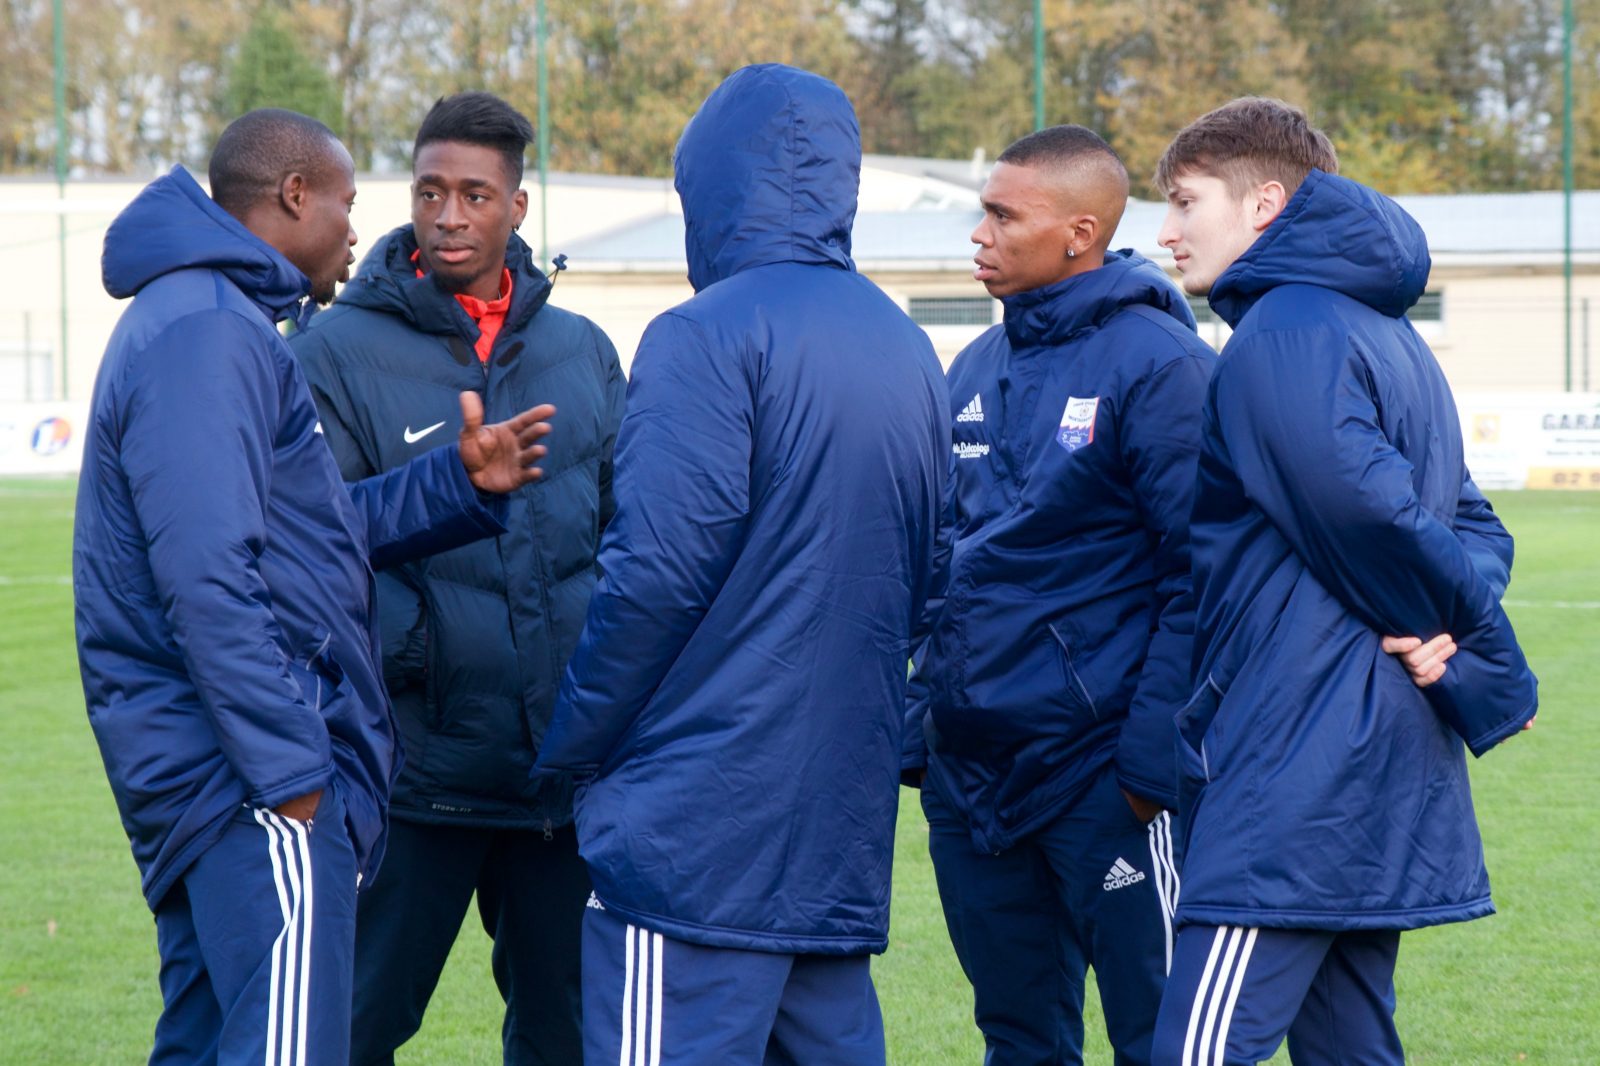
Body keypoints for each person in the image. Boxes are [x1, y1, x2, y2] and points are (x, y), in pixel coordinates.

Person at [73, 108, 557, 1066]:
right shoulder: (208, 331)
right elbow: (208, 577)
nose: (356, 228)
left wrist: (458, 484)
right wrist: (293, 775)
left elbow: (307, 536)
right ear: (295, 195)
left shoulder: (218, 320)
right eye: (347, 201)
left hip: (220, 780)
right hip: (245, 785)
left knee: (215, 1041)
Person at [533, 64, 950, 1065]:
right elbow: (933, 579)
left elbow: (654, 576)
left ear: (713, 186)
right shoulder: (905, 345)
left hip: (690, 836)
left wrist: (573, 745)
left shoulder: (703, 334)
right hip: (834, 833)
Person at [1149, 97, 1538, 1065]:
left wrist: (1480, 657)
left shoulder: (1284, 332)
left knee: (1196, 1049)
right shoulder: (1383, 334)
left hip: (1297, 761)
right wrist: (1449, 629)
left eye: (1186, 202)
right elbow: (1472, 530)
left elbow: (1371, 515)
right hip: (1368, 753)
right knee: (1350, 1046)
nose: (1165, 231)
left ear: (1263, 205)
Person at [289, 91, 625, 1065]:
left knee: (568, 1039)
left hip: (557, 781)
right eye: (429, 191)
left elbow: (628, 540)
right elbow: (313, 541)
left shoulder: (583, 352)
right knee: (346, 1031)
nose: (448, 215)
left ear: (516, 207)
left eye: (474, 195)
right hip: (409, 778)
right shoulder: (332, 352)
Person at [905, 126, 1215, 1066]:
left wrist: (1148, 765)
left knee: (1161, 1041)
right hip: (973, 779)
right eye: (982, 214)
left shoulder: (1161, 366)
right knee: (1018, 1037)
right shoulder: (972, 368)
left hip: (1102, 778)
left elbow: (1201, 575)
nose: (981, 235)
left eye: (1004, 216)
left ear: (1081, 233)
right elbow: (941, 560)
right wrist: (923, 724)